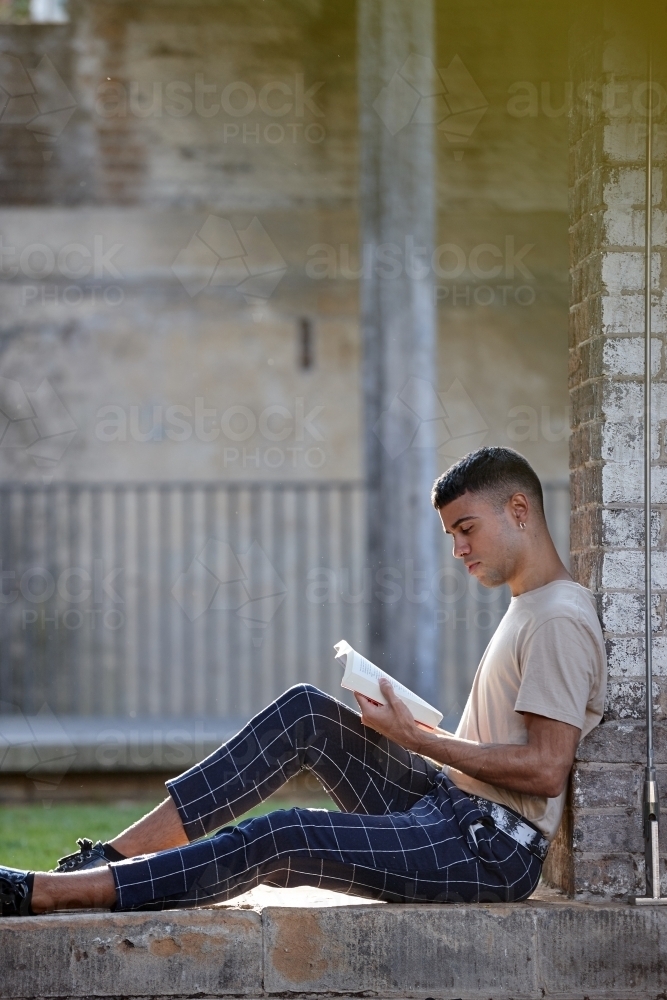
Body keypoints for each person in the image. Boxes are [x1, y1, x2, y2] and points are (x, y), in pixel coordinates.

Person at [0, 447, 606, 917]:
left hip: (488, 851)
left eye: (467, 528)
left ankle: (59, 893)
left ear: (519, 511)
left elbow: (546, 769)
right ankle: (111, 858)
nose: (458, 548)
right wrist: (405, 726)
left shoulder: (557, 618)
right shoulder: (532, 605)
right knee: (306, 713)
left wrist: (415, 738)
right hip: (451, 807)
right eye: (452, 534)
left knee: (288, 833)